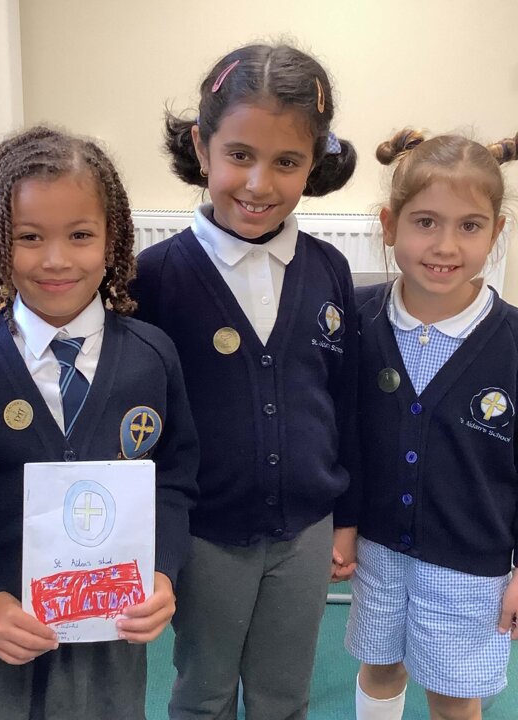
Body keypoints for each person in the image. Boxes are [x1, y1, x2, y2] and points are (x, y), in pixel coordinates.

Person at [130, 42, 359, 720]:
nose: (259, 184)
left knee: (283, 695)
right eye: (239, 155)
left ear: (313, 163)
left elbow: (343, 401)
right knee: (203, 693)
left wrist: (346, 519)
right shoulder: (155, 278)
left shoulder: (329, 270)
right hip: (204, 534)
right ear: (202, 148)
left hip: (306, 531)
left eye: (286, 162)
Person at [0, 126, 199, 720]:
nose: (55, 259)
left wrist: (163, 572)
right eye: (29, 237)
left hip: (112, 638)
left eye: (80, 235)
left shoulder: (152, 357)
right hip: (6, 637)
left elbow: (174, 479)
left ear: (113, 241)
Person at [346, 129, 518, 720]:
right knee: (380, 668)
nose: (445, 245)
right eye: (425, 222)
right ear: (390, 225)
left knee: (451, 698)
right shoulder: (356, 320)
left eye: (470, 226)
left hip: (470, 566)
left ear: (496, 232)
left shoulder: (512, 341)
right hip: (376, 551)